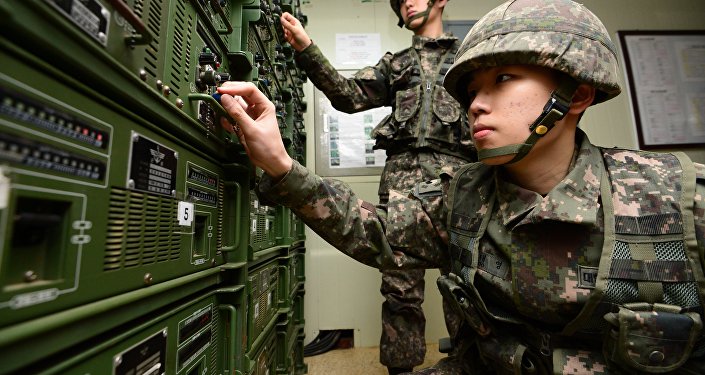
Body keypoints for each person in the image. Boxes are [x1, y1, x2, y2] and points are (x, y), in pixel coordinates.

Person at [219, 0, 705, 373]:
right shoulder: (458, 189)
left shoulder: (679, 202)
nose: (475, 104)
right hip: (420, 186)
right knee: (408, 294)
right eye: (471, 90)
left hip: (461, 172)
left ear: (576, 94)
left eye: (504, 79)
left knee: (465, 303)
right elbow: (377, 229)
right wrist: (282, 162)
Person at [279, 1, 474, 373]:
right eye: (400, 1)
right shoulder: (396, 65)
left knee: (464, 284)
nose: (408, 3)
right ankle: (400, 369)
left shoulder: (470, 57)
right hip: (402, 184)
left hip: (461, 182)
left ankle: (472, 364)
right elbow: (348, 95)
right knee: (400, 289)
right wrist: (306, 48)